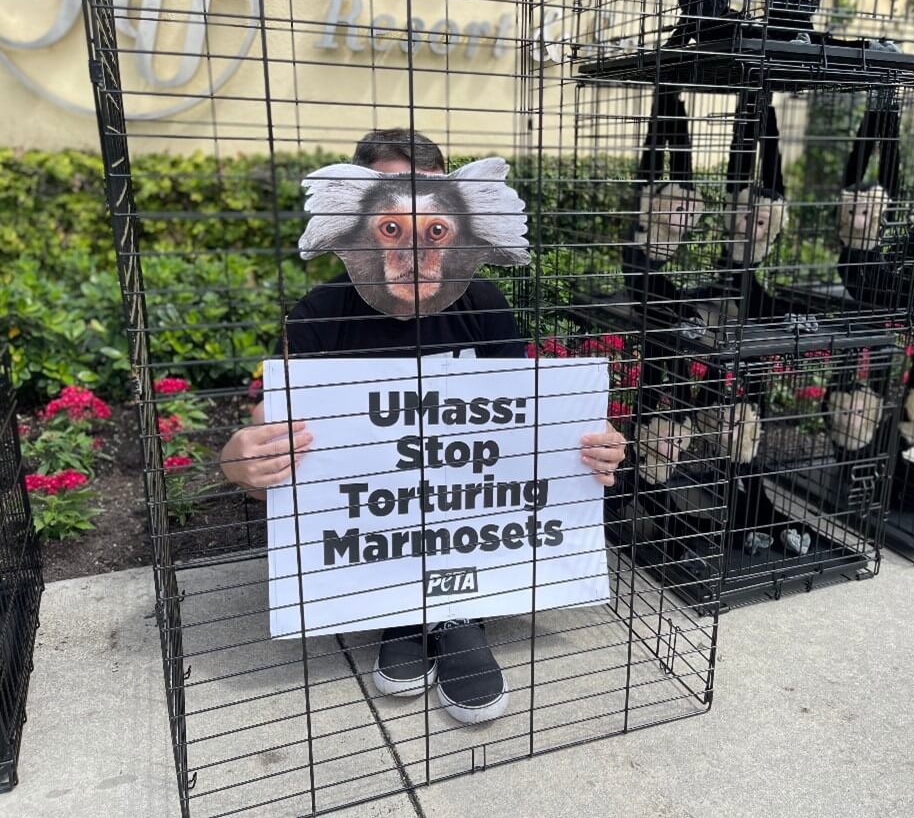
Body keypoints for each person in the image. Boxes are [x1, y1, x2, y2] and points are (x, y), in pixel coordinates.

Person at [219, 128, 626, 725]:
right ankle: (399, 606)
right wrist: (240, 459)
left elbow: (520, 430)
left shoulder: (483, 303)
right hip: (378, 530)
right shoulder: (320, 314)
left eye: (433, 224)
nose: (415, 247)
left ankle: (459, 611)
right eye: (391, 223)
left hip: (467, 526)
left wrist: (586, 452)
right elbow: (271, 438)